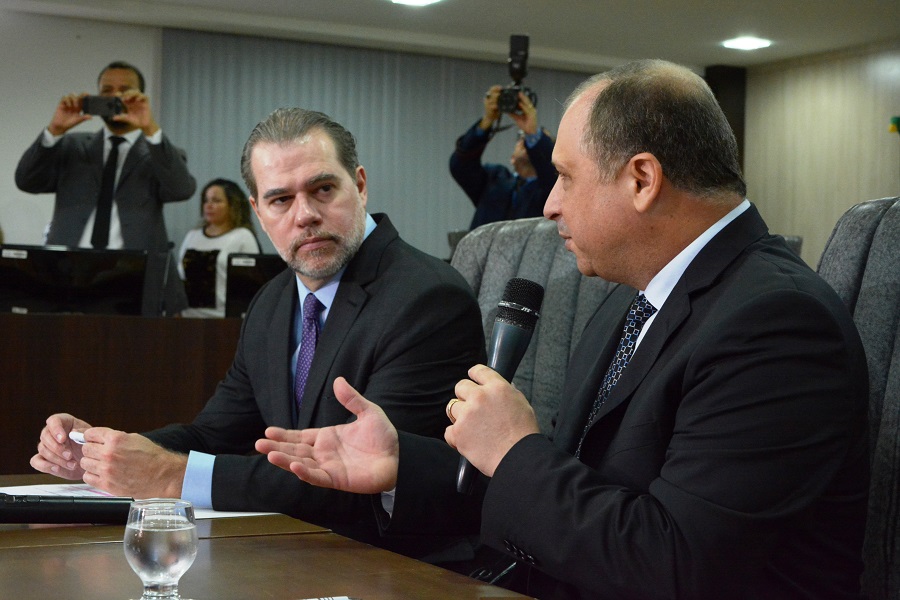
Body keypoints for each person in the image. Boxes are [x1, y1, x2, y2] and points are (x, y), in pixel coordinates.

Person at [258, 60, 870, 599]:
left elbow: (676, 566)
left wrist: (516, 449)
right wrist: (405, 465)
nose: (549, 204)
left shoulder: (778, 323)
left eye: (566, 177)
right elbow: (574, 486)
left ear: (641, 180)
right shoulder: (631, 299)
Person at [30, 108, 486, 562]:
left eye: (323, 189)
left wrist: (170, 476)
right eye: (280, 199)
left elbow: (356, 482)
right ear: (258, 212)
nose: (305, 215)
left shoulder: (427, 299)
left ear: (360, 185)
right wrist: (105, 453)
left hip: (396, 565)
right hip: (295, 551)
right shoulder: (273, 300)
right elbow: (218, 434)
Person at [14, 60, 195, 316]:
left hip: (133, 281)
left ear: (141, 96)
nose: (115, 96)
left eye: (125, 89)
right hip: (69, 277)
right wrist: (54, 131)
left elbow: (181, 189)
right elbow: (27, 181)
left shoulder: (161, 153)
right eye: (107, 90)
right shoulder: (72, 147)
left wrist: (150, 129)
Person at [450, 85, 556, 229]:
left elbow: (552, 174)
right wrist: (486, 121)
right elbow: (460, 166)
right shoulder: (494, 178)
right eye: (522, 137)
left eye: (534, 140)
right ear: (512, 158)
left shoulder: (553, 190)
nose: (526, 142)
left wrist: (534, 133)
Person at [177, 178, 261, 318]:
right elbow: (179, 278)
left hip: (224, 321)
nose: (209, 205)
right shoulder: (192, 236)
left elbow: (250, 286)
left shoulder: (242, 236)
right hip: (187, 318)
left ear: (232, 204)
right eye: (206, 200)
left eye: (216, 201)